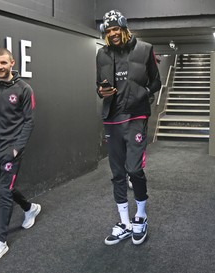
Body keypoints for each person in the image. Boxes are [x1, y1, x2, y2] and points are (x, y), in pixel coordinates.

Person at [96, 10, 161, 246]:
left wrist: (143, 92)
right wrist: (101, 91)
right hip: (112, 117)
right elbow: (98, 85)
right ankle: (124, 222)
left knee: (134, 169)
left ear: (123, 28)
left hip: (136, 116)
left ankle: (141, 216)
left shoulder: (144, 49)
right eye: (108, 30)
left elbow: (156, 81)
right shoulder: (101, 55)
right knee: (117, 174)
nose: (112, 33)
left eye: (116, 29)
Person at [0, 48, 41, 261]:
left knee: (4, 193)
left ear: (12, 62)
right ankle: (30, 208)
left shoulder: (24, 89)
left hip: (11, 150)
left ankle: (1, 241)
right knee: (4, 188)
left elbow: (29, 121)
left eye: (3, 63)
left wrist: (16, 149)